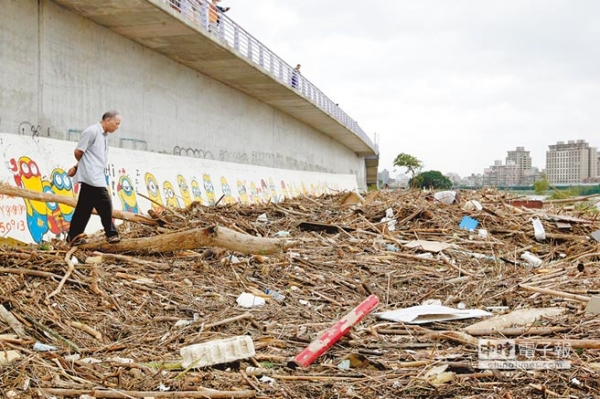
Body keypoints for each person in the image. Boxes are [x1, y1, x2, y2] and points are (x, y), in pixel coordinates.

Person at [66, 111, 122, 246]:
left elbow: (89, 155)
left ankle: (73, 236)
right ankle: (111, 234)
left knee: (83, 208)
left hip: (95, 175)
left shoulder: (104, 135)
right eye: (117, 123)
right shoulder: (92, 132)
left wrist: (77, 166)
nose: (117, 127)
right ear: (108, 120)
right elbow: (78, 151)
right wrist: (84, 167)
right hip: (92, 176)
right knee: (105, 202)